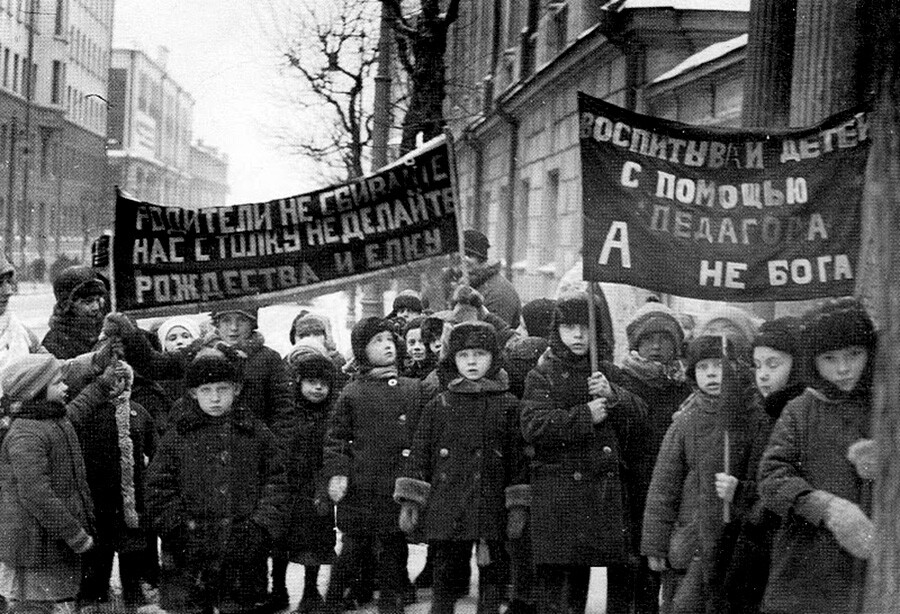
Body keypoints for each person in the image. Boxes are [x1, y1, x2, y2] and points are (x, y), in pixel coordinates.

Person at [521, 291, 650, 614]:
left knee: (617, 583)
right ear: (557, 331)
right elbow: (534, 425)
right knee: (566, 593)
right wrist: (584, 416)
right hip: (564, 496)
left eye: (586, 327)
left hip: (605, 496)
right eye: (570, 328)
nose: (578, 335)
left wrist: (613, 395)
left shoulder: (608, 373)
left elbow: (641, 418)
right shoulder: (543, 375)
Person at [395, 321, 526, 614]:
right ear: (452, 359)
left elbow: (518, 459)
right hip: (448, 504)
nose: (472, 362)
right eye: (464, 355)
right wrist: (412, 499)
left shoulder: (508, 405)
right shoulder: (439, 404)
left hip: (490, 506)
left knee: (492, 576)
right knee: (445, 573)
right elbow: (420, 453)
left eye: (479, 354)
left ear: (493, 358)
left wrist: (518, 504)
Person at [146, 351, 289, 614]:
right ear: (192, 393)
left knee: (238, 607)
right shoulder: (179, 434)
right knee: (190, 607)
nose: (214, 398)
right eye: (206, 390)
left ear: (236, 389)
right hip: (188, 548)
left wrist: (259, 527)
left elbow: (276, 481)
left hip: (242, 544)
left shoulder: (255, 432)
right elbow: (158, 486)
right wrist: (177, 527)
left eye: (222, 389)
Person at [758, 298, 876, 614]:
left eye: (854, 354)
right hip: (807, 567)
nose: (843, 368)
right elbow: (771, 476)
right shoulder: (800, 410)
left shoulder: (884, 406)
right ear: (813, 361)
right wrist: (826, 507)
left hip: (872, 574)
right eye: (829, 358)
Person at [641, 330, 755, 614]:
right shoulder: (685, 423)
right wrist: (655, 544)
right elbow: (663, 487)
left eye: (719, 365)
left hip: (734, 541)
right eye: (703, 368)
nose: (712, 374)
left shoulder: (752, 417)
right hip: (691, 542)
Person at [322, 317, 426, 614]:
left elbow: (423, 435)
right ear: (361, 351)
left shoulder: (413, 388)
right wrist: (338, 472)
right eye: (376, 342)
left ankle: (391, 601)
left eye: (389, 340)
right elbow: (337, 438)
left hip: (397, 484)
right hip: (362, 487)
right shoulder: (352, 392)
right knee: (352, 547)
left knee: (394, 547)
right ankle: (332, 600)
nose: (386, 346)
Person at [717, 317, 805, 614]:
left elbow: (788, 486)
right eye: (758, 366)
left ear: (798, 364)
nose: (763, 375)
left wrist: (740, 492)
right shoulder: (767, 411)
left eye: (773, 364)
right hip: (756, 542)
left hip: (779, 549)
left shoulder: (795, 416)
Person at [107, 301, 295, 434]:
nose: (234, 328)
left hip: (251, 449)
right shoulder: (197, 351)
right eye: (227, 320)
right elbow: (155, 366)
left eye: (242, 320)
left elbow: (284, 414)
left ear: (253, 324)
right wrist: (131, 336)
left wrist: (275, 457)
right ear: (216, 322)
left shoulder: (268, 359)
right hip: (201, 446)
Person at [0, 355, 95, 614]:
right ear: (37, 391)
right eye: (58, 383)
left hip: (49, 543)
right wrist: (74, 533)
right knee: (35, 607)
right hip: (36, 549)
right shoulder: (26, 434)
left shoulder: (52, 419)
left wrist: (102, 386)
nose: (65, 387)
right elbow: (35, 494)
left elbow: (77, 410)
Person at [614, 299, 692, 614]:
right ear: (636, 343)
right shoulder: (620, 382)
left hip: (666, 497)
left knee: (660, 578)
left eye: (665, 338)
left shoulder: (684, 388)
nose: (656, 346)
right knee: (625, 581)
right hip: (628, 492)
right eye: (648, 338)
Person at [63, 360, 157, 612]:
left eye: (122, 380)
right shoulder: (88, 416)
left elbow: (155, 453)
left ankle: (134, 595)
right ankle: (94, 597)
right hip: (98, 500)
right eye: (111, 380)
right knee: (97, 556)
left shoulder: (139, 412)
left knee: (133, 555)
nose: (117, 386)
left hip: (132, 501)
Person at [268, 342, 338, 614]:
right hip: (288, 488)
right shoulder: (288, 414)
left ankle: (311, 591)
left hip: (316, 489)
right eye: (311, 382)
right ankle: (279, 589)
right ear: (298, 382)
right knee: (280, 543)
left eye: (323, 383)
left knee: (315, 543)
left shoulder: (332, 416)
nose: (318, 388)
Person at [454, 230, 522, 330]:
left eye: (460, 257)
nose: (457, 265)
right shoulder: (471, 285)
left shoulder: (499, 292)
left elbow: (493, 335)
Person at [42, 265, 110, 359]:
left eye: (98, 300)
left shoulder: (107, 331)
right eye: (88, 302)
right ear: (67, 306)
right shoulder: (55, 343)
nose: (96, 307)